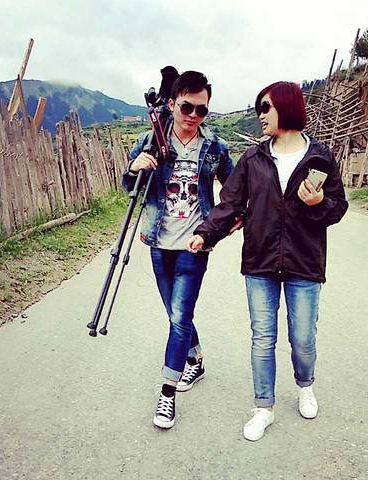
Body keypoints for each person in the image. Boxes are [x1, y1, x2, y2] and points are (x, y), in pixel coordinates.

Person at [187, 81, 348, 441]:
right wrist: (205, 233)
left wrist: (317, 203)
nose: (260, 114)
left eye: (265, 107)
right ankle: (264, 407)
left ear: (287, 108)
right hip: (260, 261)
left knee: (302, 338)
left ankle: (305, 385)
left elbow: (338, 207)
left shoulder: (320, 157)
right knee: (263, 338)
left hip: (305, 262)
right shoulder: (253, 158)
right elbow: (230, 203)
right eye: (258, 107)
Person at [122, 70, 234, 429]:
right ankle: (195, 360)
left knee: (180, 316)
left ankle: (167, 394)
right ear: (171, 104)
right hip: (158, 241)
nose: (194, 116)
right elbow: (128, 185)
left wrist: (226, 223)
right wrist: (134, 167)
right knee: (175, 314)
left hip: (194, 245)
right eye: (187, 107)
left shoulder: (215, 147)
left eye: (202, 110)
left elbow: (233, 191)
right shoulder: (150, 141)